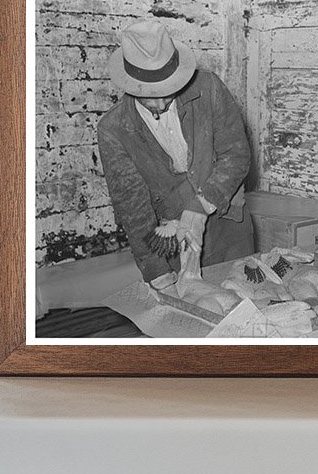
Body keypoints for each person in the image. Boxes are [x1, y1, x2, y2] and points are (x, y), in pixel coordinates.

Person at [97, 18, 255, 284]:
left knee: (244, 311)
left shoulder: (209, 88)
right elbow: (133, 208)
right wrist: (157, 272)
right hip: (173, 241)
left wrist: (200, 207)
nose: (160, 103)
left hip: (229, 228)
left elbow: (236, 155)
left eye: (167, 91)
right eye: (149, 94)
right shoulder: (113, 129)